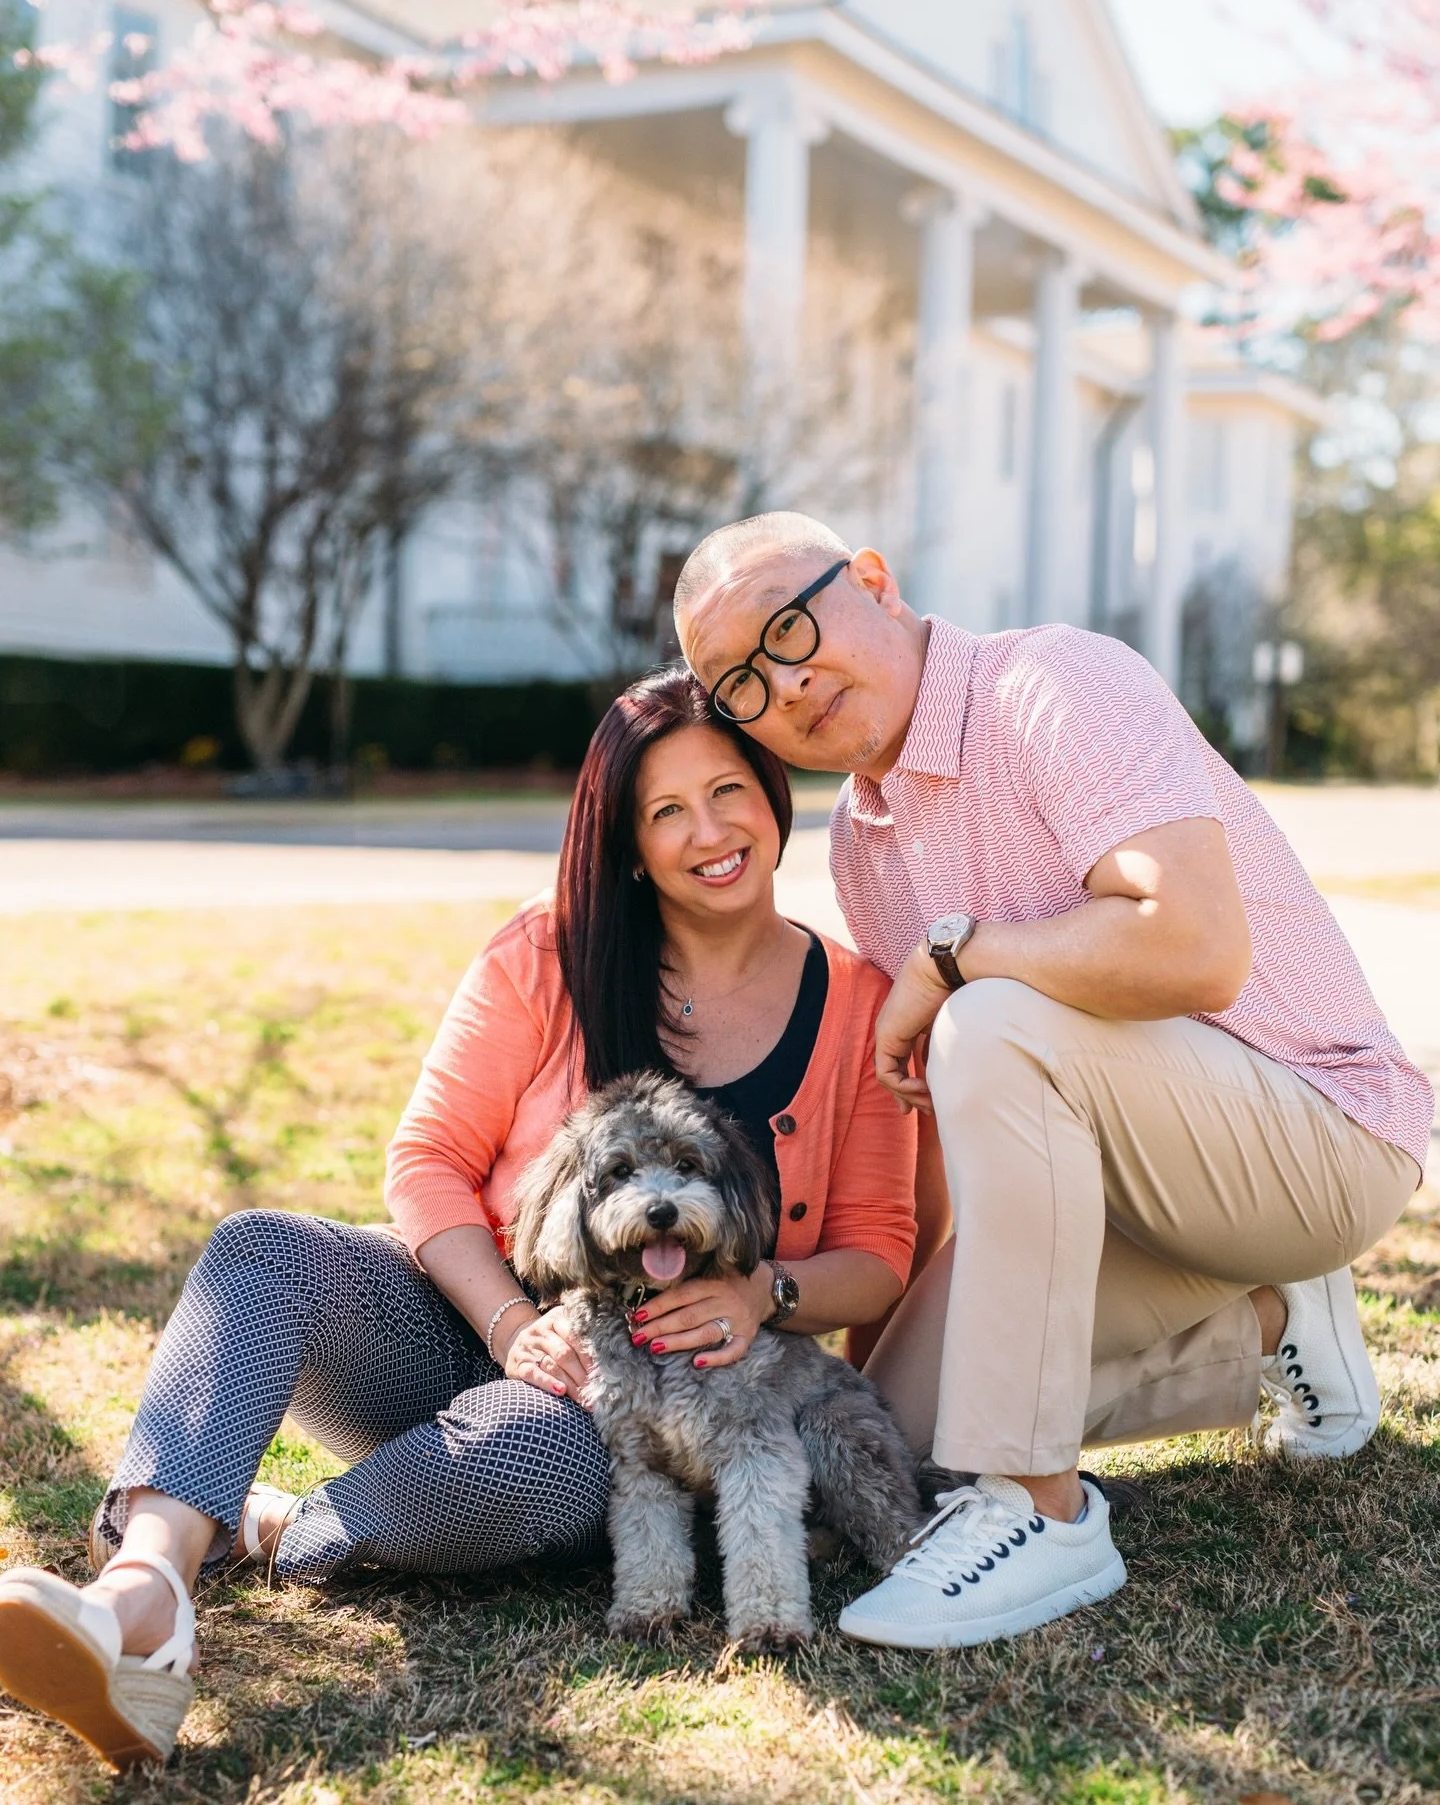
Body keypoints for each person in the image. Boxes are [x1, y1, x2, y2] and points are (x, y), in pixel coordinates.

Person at [0, 668, 916, 1767]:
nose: (708, 831)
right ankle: (140, 1595)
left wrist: (762, 1294)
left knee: (524, 1460)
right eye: (665, 810)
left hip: (618, 1402)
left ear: (776, 797)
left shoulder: (857, 1000)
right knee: (259, 1252)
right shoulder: (545, 949)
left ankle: (282, 1530)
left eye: (729, 791)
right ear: (627, 841)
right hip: (454, 1316)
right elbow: (426, 1162)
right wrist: (503, 1326)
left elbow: (879, 1252)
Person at [674, 510, 1431, 1652]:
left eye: (790, 628)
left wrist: (954, 954)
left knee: (993, 1017)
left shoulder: (1051, 684)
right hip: (1132, 1201)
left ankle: (1043, 1514)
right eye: (740, 682)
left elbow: (1195, 948)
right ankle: (1281, 1317)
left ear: (872, 581)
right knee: (888, 1445)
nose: (784, 684)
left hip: (1316, 1135)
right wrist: (879, 1379)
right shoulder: (862, 843)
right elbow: (934, 1130)